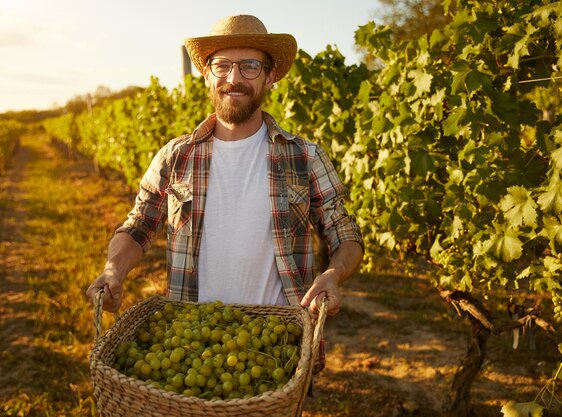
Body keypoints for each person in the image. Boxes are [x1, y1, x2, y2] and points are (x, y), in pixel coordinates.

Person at [86, 15, 364, 362]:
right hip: (188, 344)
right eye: (222, 65)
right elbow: (139, 225)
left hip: (277, 348)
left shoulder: (305, 157)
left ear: (270, 76)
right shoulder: (176, 156)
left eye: (249, 66)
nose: (234, 78)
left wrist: (333, 275)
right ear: (207, 74)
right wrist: (114, 269)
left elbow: (346, 234)